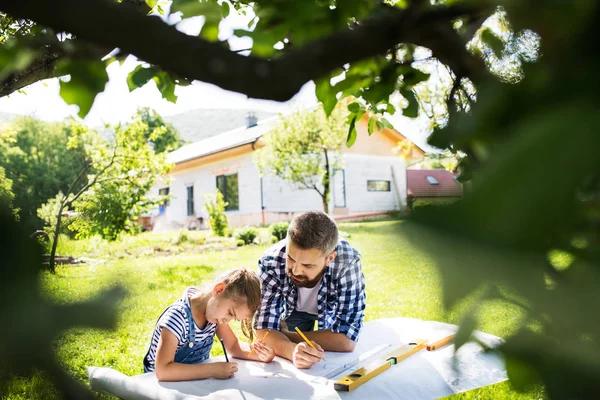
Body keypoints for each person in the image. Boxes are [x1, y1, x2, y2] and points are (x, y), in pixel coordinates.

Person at [255, 211, 366, 369]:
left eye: (308, 265)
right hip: (291, 310)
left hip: (329, 313)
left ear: (330, 258)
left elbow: (346, 340)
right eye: (291, 258)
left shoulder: (347, 262)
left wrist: (287, 336)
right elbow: (264, 331)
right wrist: (292, 350)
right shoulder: (271, 261)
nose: (296, 271)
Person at [143, 268, 275, 381]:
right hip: (158, 386)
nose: (226, 321)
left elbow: (234, 346)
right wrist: (212, 370)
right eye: (230, 312)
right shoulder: (177, 318)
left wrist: (260, 354)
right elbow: (162, 371)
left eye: (232, 318)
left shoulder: (214, 315)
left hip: (191, 383)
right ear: (218, 290)